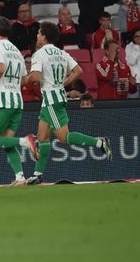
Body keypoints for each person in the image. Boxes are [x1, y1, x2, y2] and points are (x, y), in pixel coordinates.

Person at [26, 21, 112, 184]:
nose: (37, 36)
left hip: (51, 100)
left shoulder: (39, 54)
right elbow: (78, 71)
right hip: (54, 99)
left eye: (38, 33)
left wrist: (24, 79)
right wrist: (63, 84)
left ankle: (100, 142)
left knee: (64, 138)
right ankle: (37, 174)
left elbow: (35, 77)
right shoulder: (62, 53)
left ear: (44, 36)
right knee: (42, 137)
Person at [0, 16, 39, 186]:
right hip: (17, 101)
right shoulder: (17, 51)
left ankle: (25, 141)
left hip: (3, 101)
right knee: (7, 141)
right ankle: (20, 177)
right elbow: (25, 80)